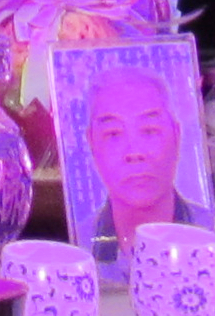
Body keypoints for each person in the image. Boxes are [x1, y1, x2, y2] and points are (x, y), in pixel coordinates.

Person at [82, 64, 207, 262]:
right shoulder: (77, 246)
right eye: (113, 134)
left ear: (176, 135)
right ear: (91, 143)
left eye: (149, 131)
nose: (135, 152)